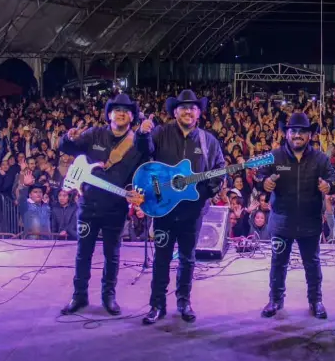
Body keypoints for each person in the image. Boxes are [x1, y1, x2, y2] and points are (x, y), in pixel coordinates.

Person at [58, 94, 153, 317]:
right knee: (83, 253)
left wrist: (134, 191)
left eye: (126, 110)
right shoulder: (94, 134)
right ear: (109, 114)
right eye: (116, 109)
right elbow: (70, 149)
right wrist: (68, 138)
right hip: (89, 205)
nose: (121, 113)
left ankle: (108, 296)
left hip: (115, 207)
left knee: (113, 254)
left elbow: (143, 167)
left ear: (132, 116)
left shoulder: (136, 142)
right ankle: (79, 295)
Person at [143, 89, 226, 326]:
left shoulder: (208, 141)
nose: (188, 111)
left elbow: (219, 168)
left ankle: (184, 301)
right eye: (183, 107)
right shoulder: (160, 133)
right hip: (164, 209)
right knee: (161, 258)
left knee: (188, 258)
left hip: (192, 210)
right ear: (175, 112)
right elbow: (143, 156)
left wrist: (211, 187)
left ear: (199, 112)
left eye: (193, 107)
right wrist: (142, 134)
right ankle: (157, 304)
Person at [258, 112, 335, 319]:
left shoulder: (320, 159)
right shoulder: (275, 156)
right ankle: (275, 300)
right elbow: (259, 176)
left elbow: (334, 180)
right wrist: (264, 183)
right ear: (287, 134)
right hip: (282, 221)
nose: (297, 135)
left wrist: (328, 185)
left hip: (310, 221)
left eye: (302, 132)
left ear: (309, 135)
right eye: (294, 131)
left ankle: (316, 301)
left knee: (312, 263)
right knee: (278, 263)